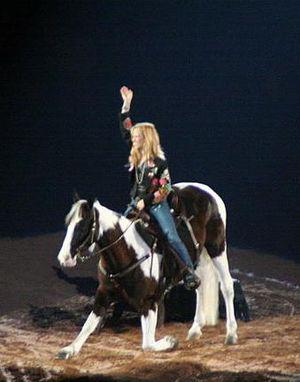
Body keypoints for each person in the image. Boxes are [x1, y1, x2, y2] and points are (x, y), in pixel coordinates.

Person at [119, 86, 200, 290]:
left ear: (146, 139)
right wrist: (126, 104)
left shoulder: (160, 163)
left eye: (137, 136)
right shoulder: (136, 154)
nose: (133, 138)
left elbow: (164, 190)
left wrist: (144, 202)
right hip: (135, 203)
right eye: (134, 136)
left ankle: (189, 271)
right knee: (119, 232)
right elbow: (125, 127)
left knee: (170, 235)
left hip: (155, 205)